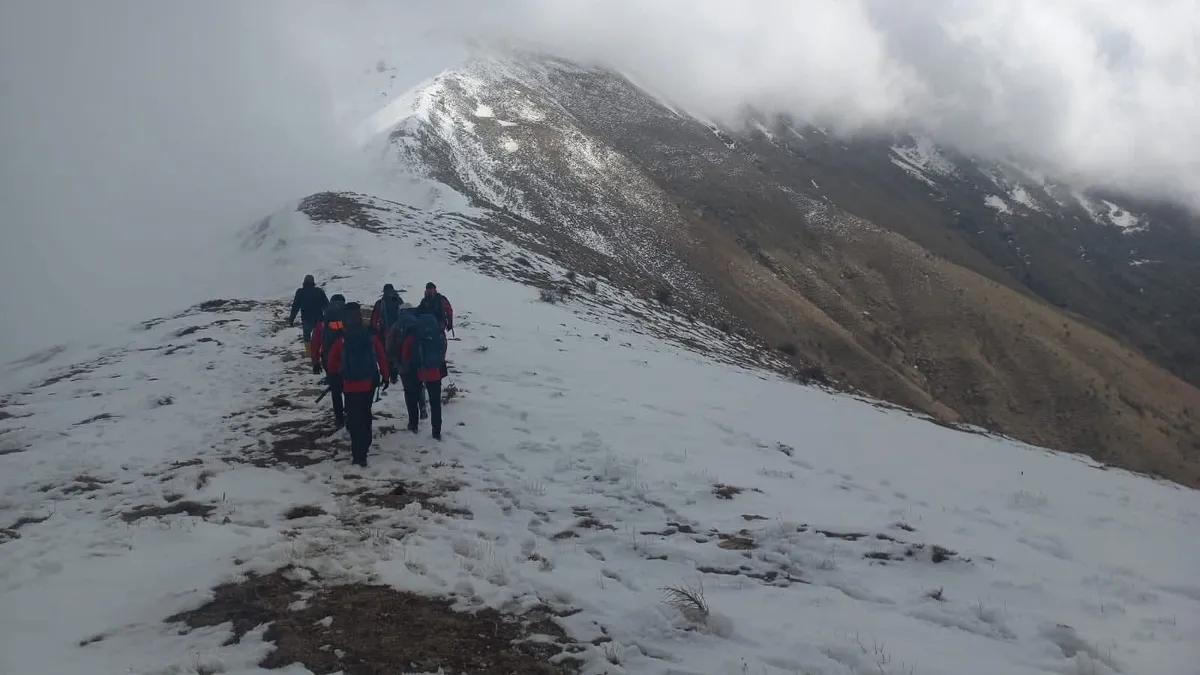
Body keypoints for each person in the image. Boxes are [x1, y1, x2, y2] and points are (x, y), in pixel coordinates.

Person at [325, 303, 388, 467]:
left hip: (349, 385)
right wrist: (386, 376)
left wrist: (336, 375)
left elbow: (331, 362)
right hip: (369, 383)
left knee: (354, 419)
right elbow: (381, 356)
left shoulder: (342, 339)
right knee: (365, 413)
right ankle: (366, 443)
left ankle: (358, 455)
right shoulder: (370, 336)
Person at [399, 311, 448, 440]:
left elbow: (405, 354)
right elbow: (443, 349)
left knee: (413, 396)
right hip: (435, 373)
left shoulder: (413, 336)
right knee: (435, 403)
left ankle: (414, 424)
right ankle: (436, 431)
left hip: (418, 372)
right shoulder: (438, 335)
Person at [311, 294, 346, 427]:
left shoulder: (323, 322)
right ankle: (350, 412)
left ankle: (339, 417)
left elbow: (315, 343)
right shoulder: (349, 318)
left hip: (329, 361)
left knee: (336, 390)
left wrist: (315, 363)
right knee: (348, 387)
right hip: (347, 359)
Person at [287, 274, 329, 357]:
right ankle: (320, 351)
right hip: (319, 318)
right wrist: (328, 318)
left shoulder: (300, 292)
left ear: (304, 282)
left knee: (307, 336)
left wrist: (291, 319)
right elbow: (327, 306)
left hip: (306, 318)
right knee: (320, 336)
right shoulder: (319, 291)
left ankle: (309, 353)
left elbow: (295, 306)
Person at [370, 284, 404, 383]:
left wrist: (373, 330)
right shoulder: (399, 301)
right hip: (398, 331)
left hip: (384, 331)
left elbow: (374, 318)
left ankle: (387, 373)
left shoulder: (380, 303)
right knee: (397, 352)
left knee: (385, 353)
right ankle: (395, 373)